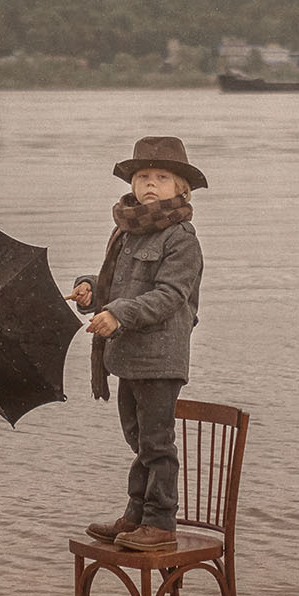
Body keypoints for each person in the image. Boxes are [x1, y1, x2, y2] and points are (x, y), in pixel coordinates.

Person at [69, 135, 206, 552]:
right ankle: (135, 514)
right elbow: (114, 284)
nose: (150, 183)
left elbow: (169, 296)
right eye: (143, 176)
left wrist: (119, 314)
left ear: (181, 188)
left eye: (162, 177)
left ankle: (160, 522)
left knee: (157, 441)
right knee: (137, 437)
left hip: (161, 358)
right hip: (126, 357)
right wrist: (90, 291)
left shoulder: (181, 238)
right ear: (131, 184)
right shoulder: (126, 232)